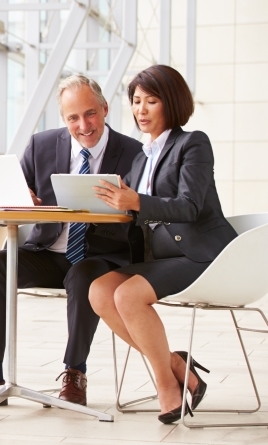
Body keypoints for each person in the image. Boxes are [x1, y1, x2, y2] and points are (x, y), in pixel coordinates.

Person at [0, 74, 142, 407]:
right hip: (48, 252)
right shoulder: (42, 145)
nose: (84, 125)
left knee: (83, 275)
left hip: (101, 257)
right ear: (64, 119)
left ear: (105, 108)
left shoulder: (133, 153)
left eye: (90, 114)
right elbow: (6, 198)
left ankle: (75, 372)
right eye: (73, 118)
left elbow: (143, 213)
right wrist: (22, 200)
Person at [89, 64, 237, 424]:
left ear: (171, 103)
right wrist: (105, 205)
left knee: (127, 296)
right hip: (163, 256)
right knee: (99, 292)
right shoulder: (142, 157)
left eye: (151, 101)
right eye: (136, 101)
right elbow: (135, 212)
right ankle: (176, 364)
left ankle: (165, 384)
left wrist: (136, 201)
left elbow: (189, 207)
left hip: (201, 254)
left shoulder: (193, 143)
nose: (141, 109)